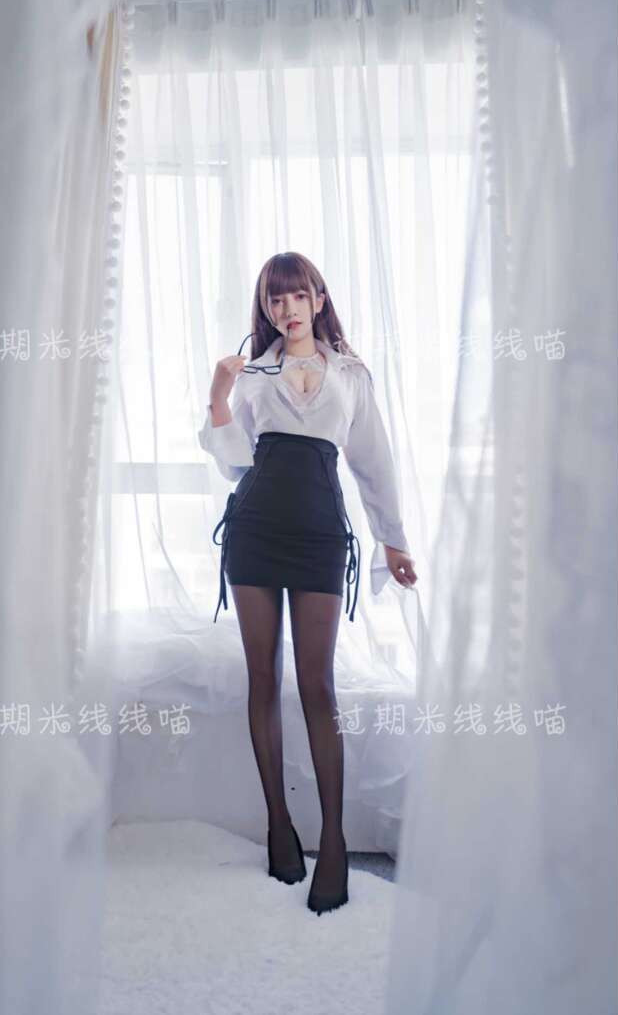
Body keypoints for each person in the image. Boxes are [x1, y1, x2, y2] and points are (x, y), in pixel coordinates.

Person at [198, 251, 417, 915]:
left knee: (318, 685)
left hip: (321, 535)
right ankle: (278, 824)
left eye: (297, 296)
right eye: (274, 299)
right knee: (262, 679)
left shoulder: (350, 373)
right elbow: (236, 465)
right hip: (254, 531)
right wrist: (217, 397)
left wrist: (393, 538)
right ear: (265, 308)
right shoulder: (253, 373)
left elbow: (374, 461)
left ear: (319, 299)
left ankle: (335, 839)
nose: (286, 308)